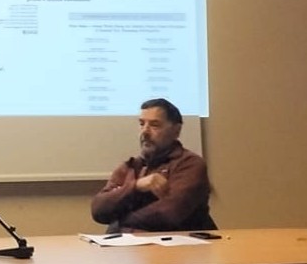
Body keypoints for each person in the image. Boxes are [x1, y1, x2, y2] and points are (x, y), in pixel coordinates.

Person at [90, 98, 215, 232]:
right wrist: (137, 186)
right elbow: (99, 210)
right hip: (129, 242)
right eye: (141, 124)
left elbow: (168, 214)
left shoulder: (190, 164)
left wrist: (118, 221)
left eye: (154, 125)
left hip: (179, 243)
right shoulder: (130, 167)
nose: (145, 131)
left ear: (176, 131)